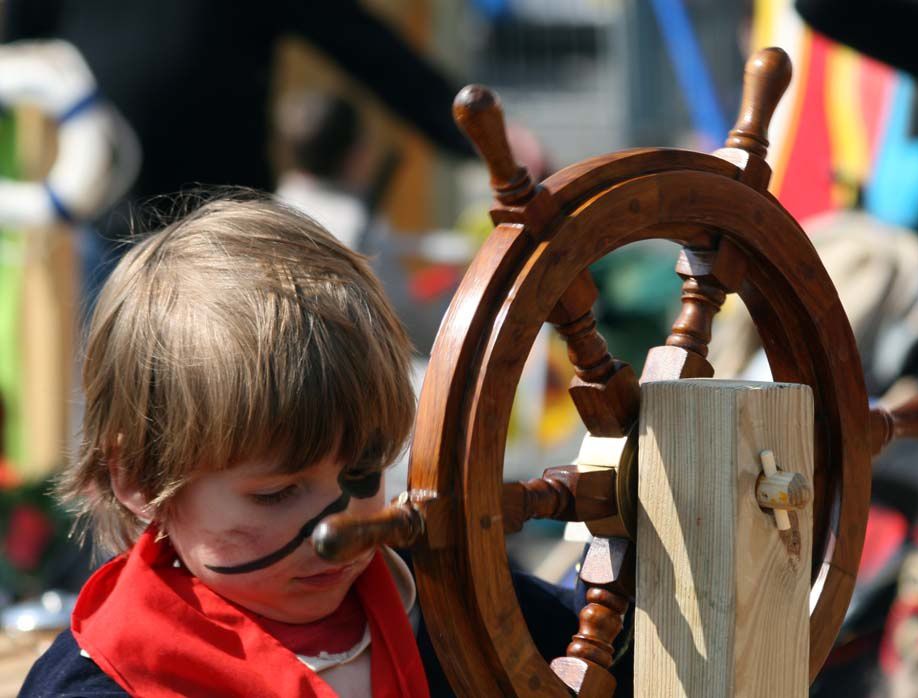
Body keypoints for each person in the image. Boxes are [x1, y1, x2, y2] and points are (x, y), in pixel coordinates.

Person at [17, 195, 577, 697]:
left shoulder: (473, 614)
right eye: (279, 492)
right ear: (138, 477)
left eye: (363, 469)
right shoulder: (103, 683)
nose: (338, 530)